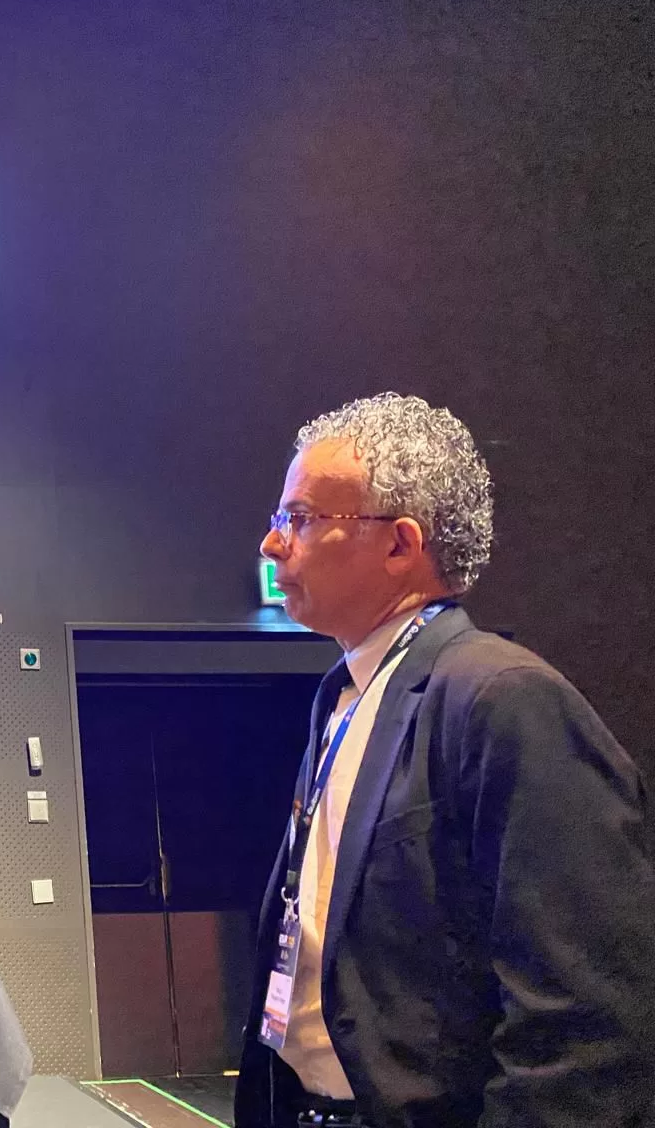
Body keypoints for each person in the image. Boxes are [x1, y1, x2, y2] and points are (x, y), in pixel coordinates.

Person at [235, 393, 655, 1127]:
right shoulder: (343, 697)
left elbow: (586, 1014)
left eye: (299, 518)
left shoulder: (504, 697)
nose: (272, 544)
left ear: (399, 544)